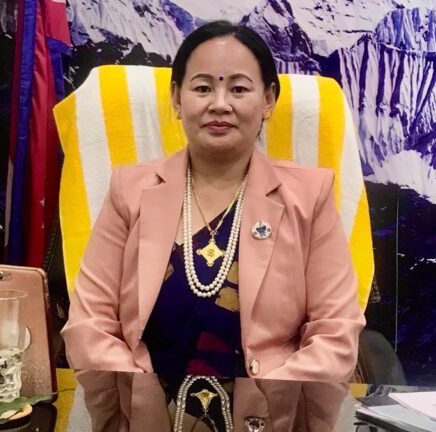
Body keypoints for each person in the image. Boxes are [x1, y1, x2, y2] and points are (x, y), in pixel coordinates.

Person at [61, 20, 365, 383]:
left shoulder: (309, 195)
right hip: (141, 403)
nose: (220, 104)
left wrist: (268, 404)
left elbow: (335, 334)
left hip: (273, 405)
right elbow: (89, 324)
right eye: (203, 88)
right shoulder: (129, 189)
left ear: (268, 100)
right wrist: (138, 397)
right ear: (177, 98)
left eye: (239, 89)